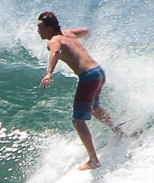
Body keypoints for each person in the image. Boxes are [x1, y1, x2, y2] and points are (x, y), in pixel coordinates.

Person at [36, 11, 125, 170]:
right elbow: (85, 31)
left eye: (40, 27)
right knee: (94, 108)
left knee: (78, 121)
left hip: (88, 77)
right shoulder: (68, 34)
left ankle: (93, 160)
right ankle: (118, 132)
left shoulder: (54, 40)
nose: (38, 30)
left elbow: (55, 51)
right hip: (98, 72)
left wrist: (49, 73)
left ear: (49, 28)